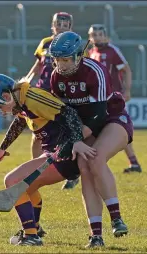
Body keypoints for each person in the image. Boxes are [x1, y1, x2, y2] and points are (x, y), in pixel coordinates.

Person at [0, 73, 97, 246]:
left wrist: (71, 144)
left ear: (6, 97)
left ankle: (31, 236)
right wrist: (2, 148)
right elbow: (20, 122)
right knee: (26, 189)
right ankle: (33, 229)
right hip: (52, 154)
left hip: (63, 157)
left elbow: (70, 114)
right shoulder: (21, 101)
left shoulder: (33, 98)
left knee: (13, 181)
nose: (0, 110)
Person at [49, 31, 133, 248]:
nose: (61, 65)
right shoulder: (56, 78)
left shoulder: (95, 70)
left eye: (66, 59)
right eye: (57, 59)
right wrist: (69, 140)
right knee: (84, 167)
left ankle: (116, 218)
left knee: (95, 158)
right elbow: (65, 115)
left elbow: (99, 115)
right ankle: (96, 235)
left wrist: (74, 140)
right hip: (85, 126)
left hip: (111, 118)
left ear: (78, 56)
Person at [25, 12, 88, 190]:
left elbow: (81, 67)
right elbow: (38, 65)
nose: (61, 27)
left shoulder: (75, 44)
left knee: (68, 134)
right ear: (52, 25)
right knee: (37, 133)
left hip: (62, 94)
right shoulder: (45, 42)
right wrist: (28, 79)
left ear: (70, 27)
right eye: (57, 24)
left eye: (65, 24)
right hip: (42, 93)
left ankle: (72, 173)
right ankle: (34, 171)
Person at [87, 24, 142, 173]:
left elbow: (126, 70)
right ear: (90, 37)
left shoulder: (112, 51)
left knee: (118, 128)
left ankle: (131, 162)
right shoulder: (91, 52)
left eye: (100, 34)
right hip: (97, 98)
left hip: (113, 98)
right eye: (94, 35)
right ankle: (133, 163)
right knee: (107, 129)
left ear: (106, 36)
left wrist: (127, 90)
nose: (97, 37)